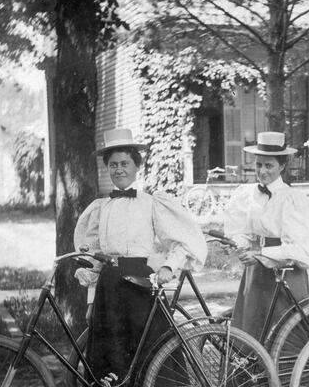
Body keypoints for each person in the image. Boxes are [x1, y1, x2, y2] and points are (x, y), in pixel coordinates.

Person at [73, 128, 208, 382]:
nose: (119, 170)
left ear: (137, 166)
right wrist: (92, 301)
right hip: (109, 289)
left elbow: (180, 241)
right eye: (113, 165)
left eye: (125, 163)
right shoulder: (101, 208)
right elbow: (95, 260)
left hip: (140, 286)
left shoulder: (152, 203)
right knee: (112, 357)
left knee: (150, 353)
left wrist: (169, 266)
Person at [224, 131, 309, 341]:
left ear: (282, 166)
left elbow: (301, 249)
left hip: (285, 272)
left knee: (284, 336)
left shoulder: (291, 199)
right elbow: (244, 230)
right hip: (256, 274)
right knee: (253, 331)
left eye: (269, 166)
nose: (262, 171)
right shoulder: (248, 194)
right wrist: (236, 243)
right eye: (259, 165)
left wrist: (261, 254)